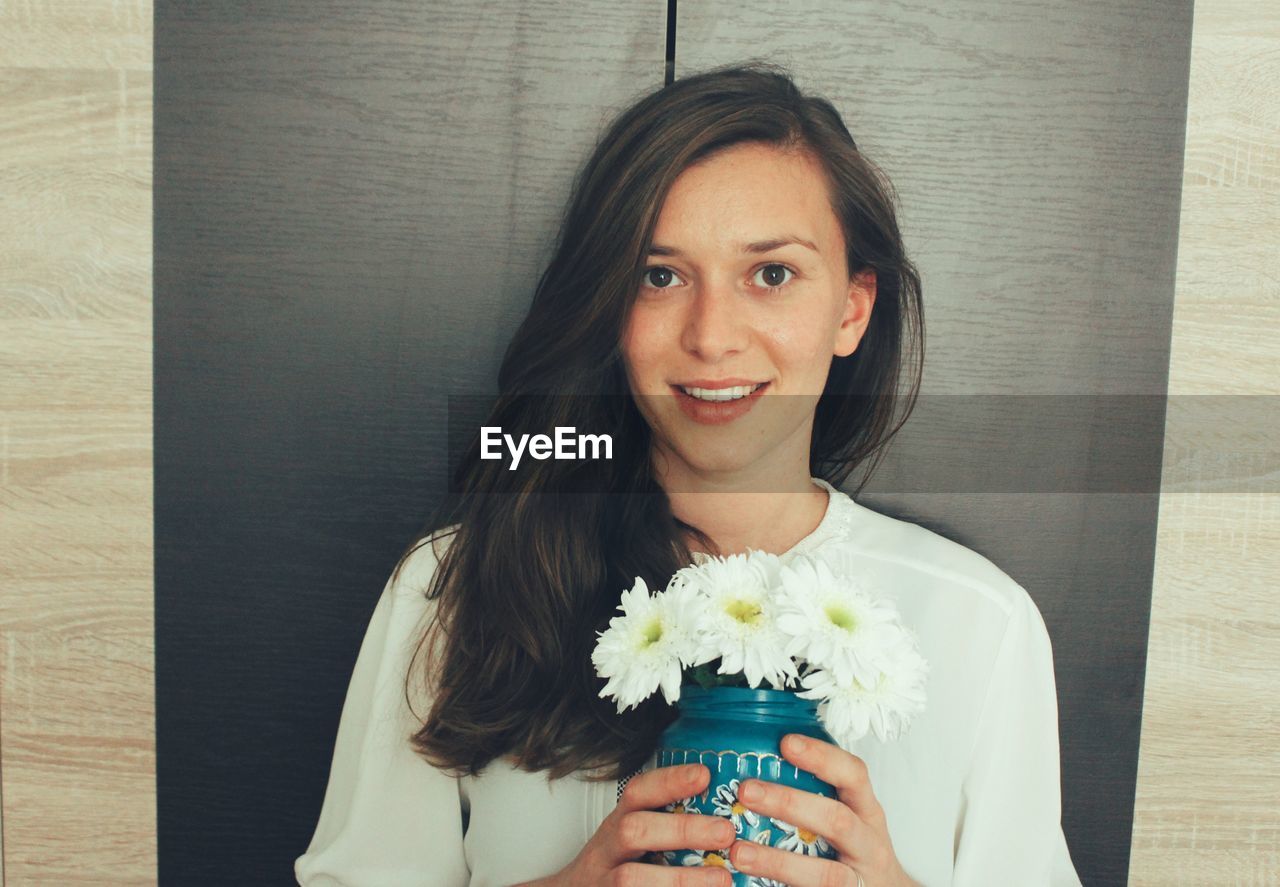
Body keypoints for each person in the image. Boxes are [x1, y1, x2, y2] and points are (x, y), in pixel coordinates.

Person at [295, 62, 1083, 886]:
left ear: (851, 308)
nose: (711, 337)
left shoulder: (980, 623)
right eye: (660, 275)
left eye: (771, 274)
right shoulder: (454, 588)